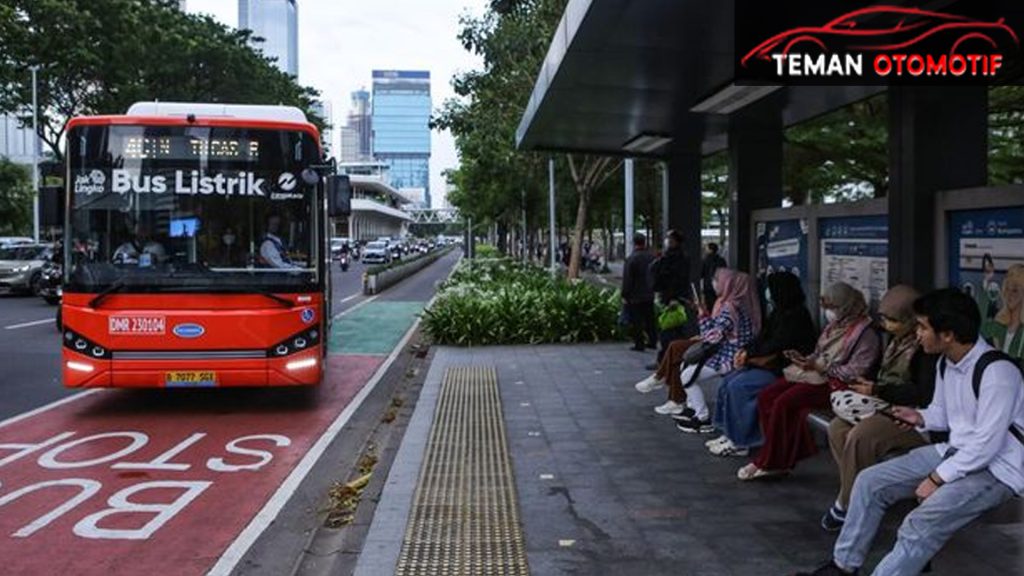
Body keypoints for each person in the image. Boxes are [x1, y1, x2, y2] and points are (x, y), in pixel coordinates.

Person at [794, 289, 1024, 576]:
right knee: (869, 482)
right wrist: (920, 417)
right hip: (955, 453)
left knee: (919, 523)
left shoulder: (997, 373)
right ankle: (842, 566)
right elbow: (944, 414)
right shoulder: (946, 363)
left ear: (948, 334)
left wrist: (936, 479)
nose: (917, 334)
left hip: (997, 471)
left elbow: (987, 444)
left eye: (923, 327)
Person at [821, 285, 937, 532]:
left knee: (861, 436)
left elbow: (923, 393)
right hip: (887, 408)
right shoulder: (897, 342)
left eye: (893, 320)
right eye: (884, 318)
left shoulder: (924, 350)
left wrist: (877, 390)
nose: (887, 325)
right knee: (837, 428)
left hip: (914, 418)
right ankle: (856, 492)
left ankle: (847, 504)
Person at [738, 282, 881, 481]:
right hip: (815, 376)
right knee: (767, 396)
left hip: (836, 384)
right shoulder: (834, 326)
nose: (829, 313)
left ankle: (771, 461)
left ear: (847, 306)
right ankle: (777, 451)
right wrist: (807, 361)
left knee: (783, 403)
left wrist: (823, 368)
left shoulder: (865, 335)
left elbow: (856, 371)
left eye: (833, 308)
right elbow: (819, 352)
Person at [704, 271, 817, 457]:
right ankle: (729, 432)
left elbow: (778, 344)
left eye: (770, 289)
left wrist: (750, 356)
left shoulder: (797, 316)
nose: (767, 293)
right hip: (767, 364)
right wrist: (746, 350)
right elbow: (762, 337)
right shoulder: (780, 312)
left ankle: (742, 441)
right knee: (728, 381)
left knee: (739, 387)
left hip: (781, 369)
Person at [670, 268, 760, 428]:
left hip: (729, 358)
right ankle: (693, 409)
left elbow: (712, 337)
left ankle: (702, 417)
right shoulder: (739, 305)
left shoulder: (730, 309)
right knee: (687, 370)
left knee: (687, 376)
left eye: (718, 280)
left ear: (727, 284)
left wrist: (702, 315)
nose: (715, 283)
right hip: (731, 354)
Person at [650, 229, 694, 363]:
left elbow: (673, 278)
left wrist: (673, 298)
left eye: (669, 239)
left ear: (675, 241)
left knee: (668, 329)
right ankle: (672, 357)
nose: (667, 241)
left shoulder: (673, 258)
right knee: (675, 328)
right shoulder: (677, 256)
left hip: (672, 298)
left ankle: (666, 359)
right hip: (674, 297)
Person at [621, 233, 657, 352]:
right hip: (649, 293)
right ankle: (653, 341)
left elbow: (628, 278)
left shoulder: (632, 258)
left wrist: (625, 294)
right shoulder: (651, 257)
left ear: (634, 243)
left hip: (635, 295)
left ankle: (639, 343)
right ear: (644, 242)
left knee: (637, 321)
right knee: (650, 319)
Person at [980, 263, 1023, 361]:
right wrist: (987, 281)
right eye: (1007, 289)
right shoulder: (997, 325)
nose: (1009, 294)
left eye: (1015, 290)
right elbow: (980, 329)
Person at [701, 242, 727, 310]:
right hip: (719, 286)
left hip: (708, 286)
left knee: (709, 305)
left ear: (710, 249)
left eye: (707, 248)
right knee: (718, 304)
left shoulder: (705, 260)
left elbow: (701, 273)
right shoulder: (721, 260)